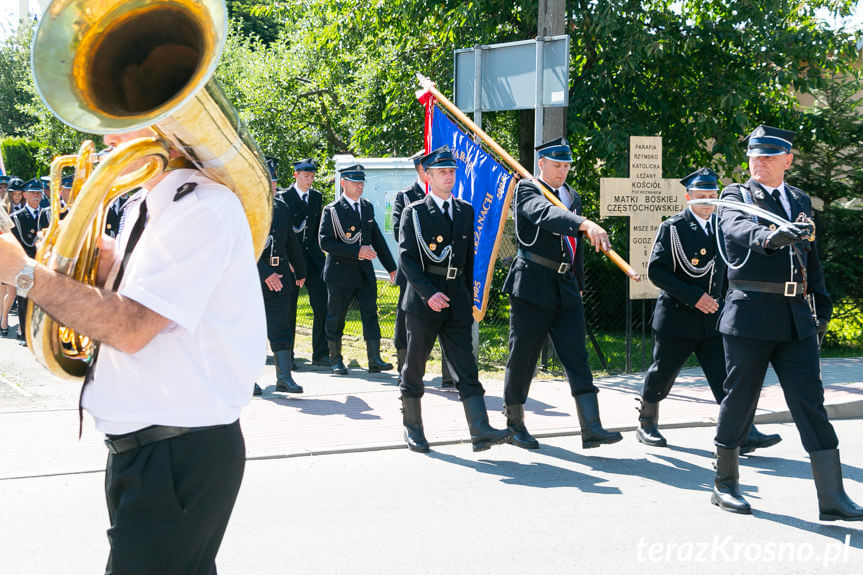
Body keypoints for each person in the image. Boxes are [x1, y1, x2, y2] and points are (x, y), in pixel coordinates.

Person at [0, 126, 267, 571]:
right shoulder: (145, 207)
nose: (107, 140)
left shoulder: (200, 209)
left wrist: (25, 274)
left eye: (123, 120)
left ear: (171, 126)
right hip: (150, 451)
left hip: (177, 453)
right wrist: (102, 270)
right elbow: (143, 311)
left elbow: (132, 328)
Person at [710, 125, 862, 520]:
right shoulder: (736, 196)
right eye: (754, 156)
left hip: (795, 319)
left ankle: (832, 496)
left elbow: (811, 258)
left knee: (811, 404)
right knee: (739, 401)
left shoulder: (797, 198)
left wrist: (822, 307)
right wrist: (773, 237)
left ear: (788, 160)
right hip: (750, 315)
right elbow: (736, 228)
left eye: (769, 156)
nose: (759, 161)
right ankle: (724, 484)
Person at [637, 167, 781, 453]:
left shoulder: (723, 227)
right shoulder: (673, 227)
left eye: (712, 196)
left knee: (726, 377)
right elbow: (658, 271)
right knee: (662, 373)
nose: (707, 202)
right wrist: (695, 297)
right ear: (688, 196)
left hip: (713, 318)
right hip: (678, 317)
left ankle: (744, 432)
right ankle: (647, 423)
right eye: (701, 196)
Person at [502, 137, 621, 450]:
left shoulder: (571, 196)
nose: (563, 171)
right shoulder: (529, 189)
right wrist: (584, 223)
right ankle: (514, 423)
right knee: (524, 355)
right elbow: (544, 215)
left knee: (577, 356)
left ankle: (591, 426)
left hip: (565, 286)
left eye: (567, 165)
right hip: (532, 283)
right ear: (541, 163)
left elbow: (574, 249)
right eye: (557, 165)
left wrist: (579, 284)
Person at [397, 146, 510, 452]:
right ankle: (413, 428)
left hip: (456, 297)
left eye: (452, 172)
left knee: (465, 365)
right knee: (415, 365)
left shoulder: (464, 211)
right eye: (442, 172)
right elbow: (407, 260)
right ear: (428, 175)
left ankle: (480, 429)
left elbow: (467, 259)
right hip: (424, 300)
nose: (449, 177)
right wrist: (427, 293)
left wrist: (469, 295)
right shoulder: (415, 213)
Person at [319, 164, 397, 375]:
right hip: (340, 272)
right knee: (336, 317)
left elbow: (377, 239)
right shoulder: (332, 210)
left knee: (370, 314)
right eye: (355, 183)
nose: (360, 187)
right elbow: (325, 243)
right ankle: (336, 359)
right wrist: (356, 251)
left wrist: (391, 267)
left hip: (364, 272)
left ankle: (374, 359)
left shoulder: (367, 207)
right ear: (343, 183)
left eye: (362, 183)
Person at [391, 151, 455, 388]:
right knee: (408, 323)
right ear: (422, 169)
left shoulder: (449, 198)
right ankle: (405, 369)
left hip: (443, 272)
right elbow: (399, 230)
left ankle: (450, 375)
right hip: (415, 271)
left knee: (449, 320)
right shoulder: (406, 197)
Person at [254, 158, 306, 396]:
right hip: (254, 276)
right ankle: (248, 379)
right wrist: (265, 274)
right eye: (269, 181)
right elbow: (241, 247)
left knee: (281, 325)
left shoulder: (281, 207)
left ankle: (284, 377)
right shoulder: (247, 207)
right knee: (253, 329)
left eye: (275, 181)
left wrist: (300, 269)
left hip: (282, 274)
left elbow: (290, 241)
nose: (274, 185)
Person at [278, 158, 329, 368]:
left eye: (312, 176)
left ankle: (320, 353)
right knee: (289, 308)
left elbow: (316, 229)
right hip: (291, 259)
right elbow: (281, 233)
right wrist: (287, 261)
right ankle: (287, 356)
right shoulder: (284, 198)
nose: (310, 180)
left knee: (322, 304)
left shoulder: (316, 197)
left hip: (312, 258)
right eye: (306, 176)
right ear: (296, 175)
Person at [9, 179, 48, 341]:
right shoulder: (16, 217)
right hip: (25, 262)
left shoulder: (47, 214)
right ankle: (25, 333)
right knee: (24, 299)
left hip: (44, 263)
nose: (36, 196)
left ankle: (39, 334)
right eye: (32, 193)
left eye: (39, 193)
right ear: (24, 195)